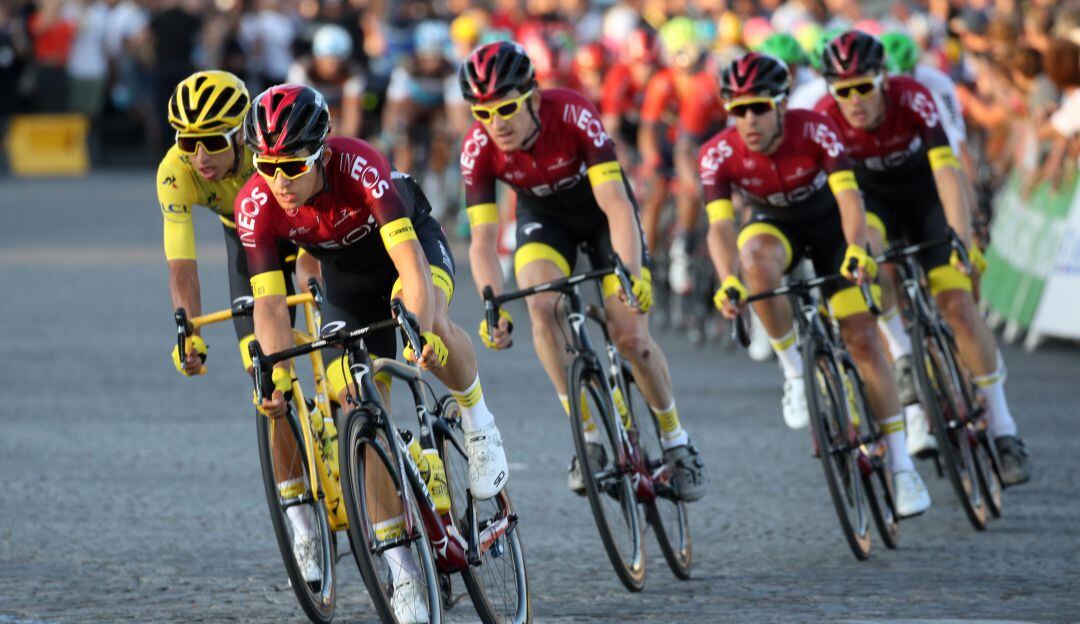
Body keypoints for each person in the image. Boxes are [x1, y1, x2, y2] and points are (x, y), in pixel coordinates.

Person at [238, 84, 509, 622]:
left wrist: (422, 331)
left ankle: (479, 424)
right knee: (354, 410)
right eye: (266, 166)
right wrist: (275, 381)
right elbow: (270, 308)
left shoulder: (360, 166)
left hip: (408, 251)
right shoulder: (257, 201)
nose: (279, 181)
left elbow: (409, 266)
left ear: (320, 153)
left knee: (433, 327)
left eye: (292, 166)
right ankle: (404, 572)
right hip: (348, 283)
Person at [460, 41, 708, 501]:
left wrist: (635, 273)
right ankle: (590, 438)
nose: (497, 123)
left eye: (507, 107)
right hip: (544, 221)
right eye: (483, 113)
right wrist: (491, 300)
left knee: (631, 337)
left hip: (601, 215)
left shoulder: (572, 113)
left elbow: (616, 202)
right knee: (541, 304)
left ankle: (677, 443)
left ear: (533, 97)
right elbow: (482, 239)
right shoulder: (478, 148)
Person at [703, 52, 931, 517]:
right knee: (753, 262)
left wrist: (855, 248)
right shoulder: (718, 153)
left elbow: (850, 198)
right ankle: (793, 373)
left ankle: (903, 467)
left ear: (782, 104)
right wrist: (728, 282)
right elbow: (720, 229)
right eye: (737, 109)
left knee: (864, 340)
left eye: (759, 107)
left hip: (830, 227)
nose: (748, 120)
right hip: (775, 227)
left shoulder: (815, 129)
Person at [814, 31, 1030, 484]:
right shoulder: (824, 120)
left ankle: (1005, 427)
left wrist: (960, 236)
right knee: (873, 260)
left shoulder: (914, 98)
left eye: (863, 87)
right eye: (842, 90)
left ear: (884, 79)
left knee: (957, 306)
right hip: (872, 201)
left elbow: (948, 171)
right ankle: (901, 351)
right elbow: (837, 202)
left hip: (926, 195)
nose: (853, 100)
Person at [160, 70, 319, 381]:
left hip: (303, 227)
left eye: (213, 141)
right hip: (247, 237)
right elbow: (181, 267)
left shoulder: (268, 149)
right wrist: (190, 331)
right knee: (259, 365)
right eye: (188, 142)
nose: (200, 157)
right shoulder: (174, 171)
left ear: (240, 135)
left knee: (320, 304)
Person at [287, 23, 364, 138]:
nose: (334, 65)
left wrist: (344, 139)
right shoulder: (301, 70)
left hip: (336, 125)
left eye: (339, 59)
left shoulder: (352, 74)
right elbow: (292, 113)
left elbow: (352, 115)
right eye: (328, 59)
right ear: (317, 56)